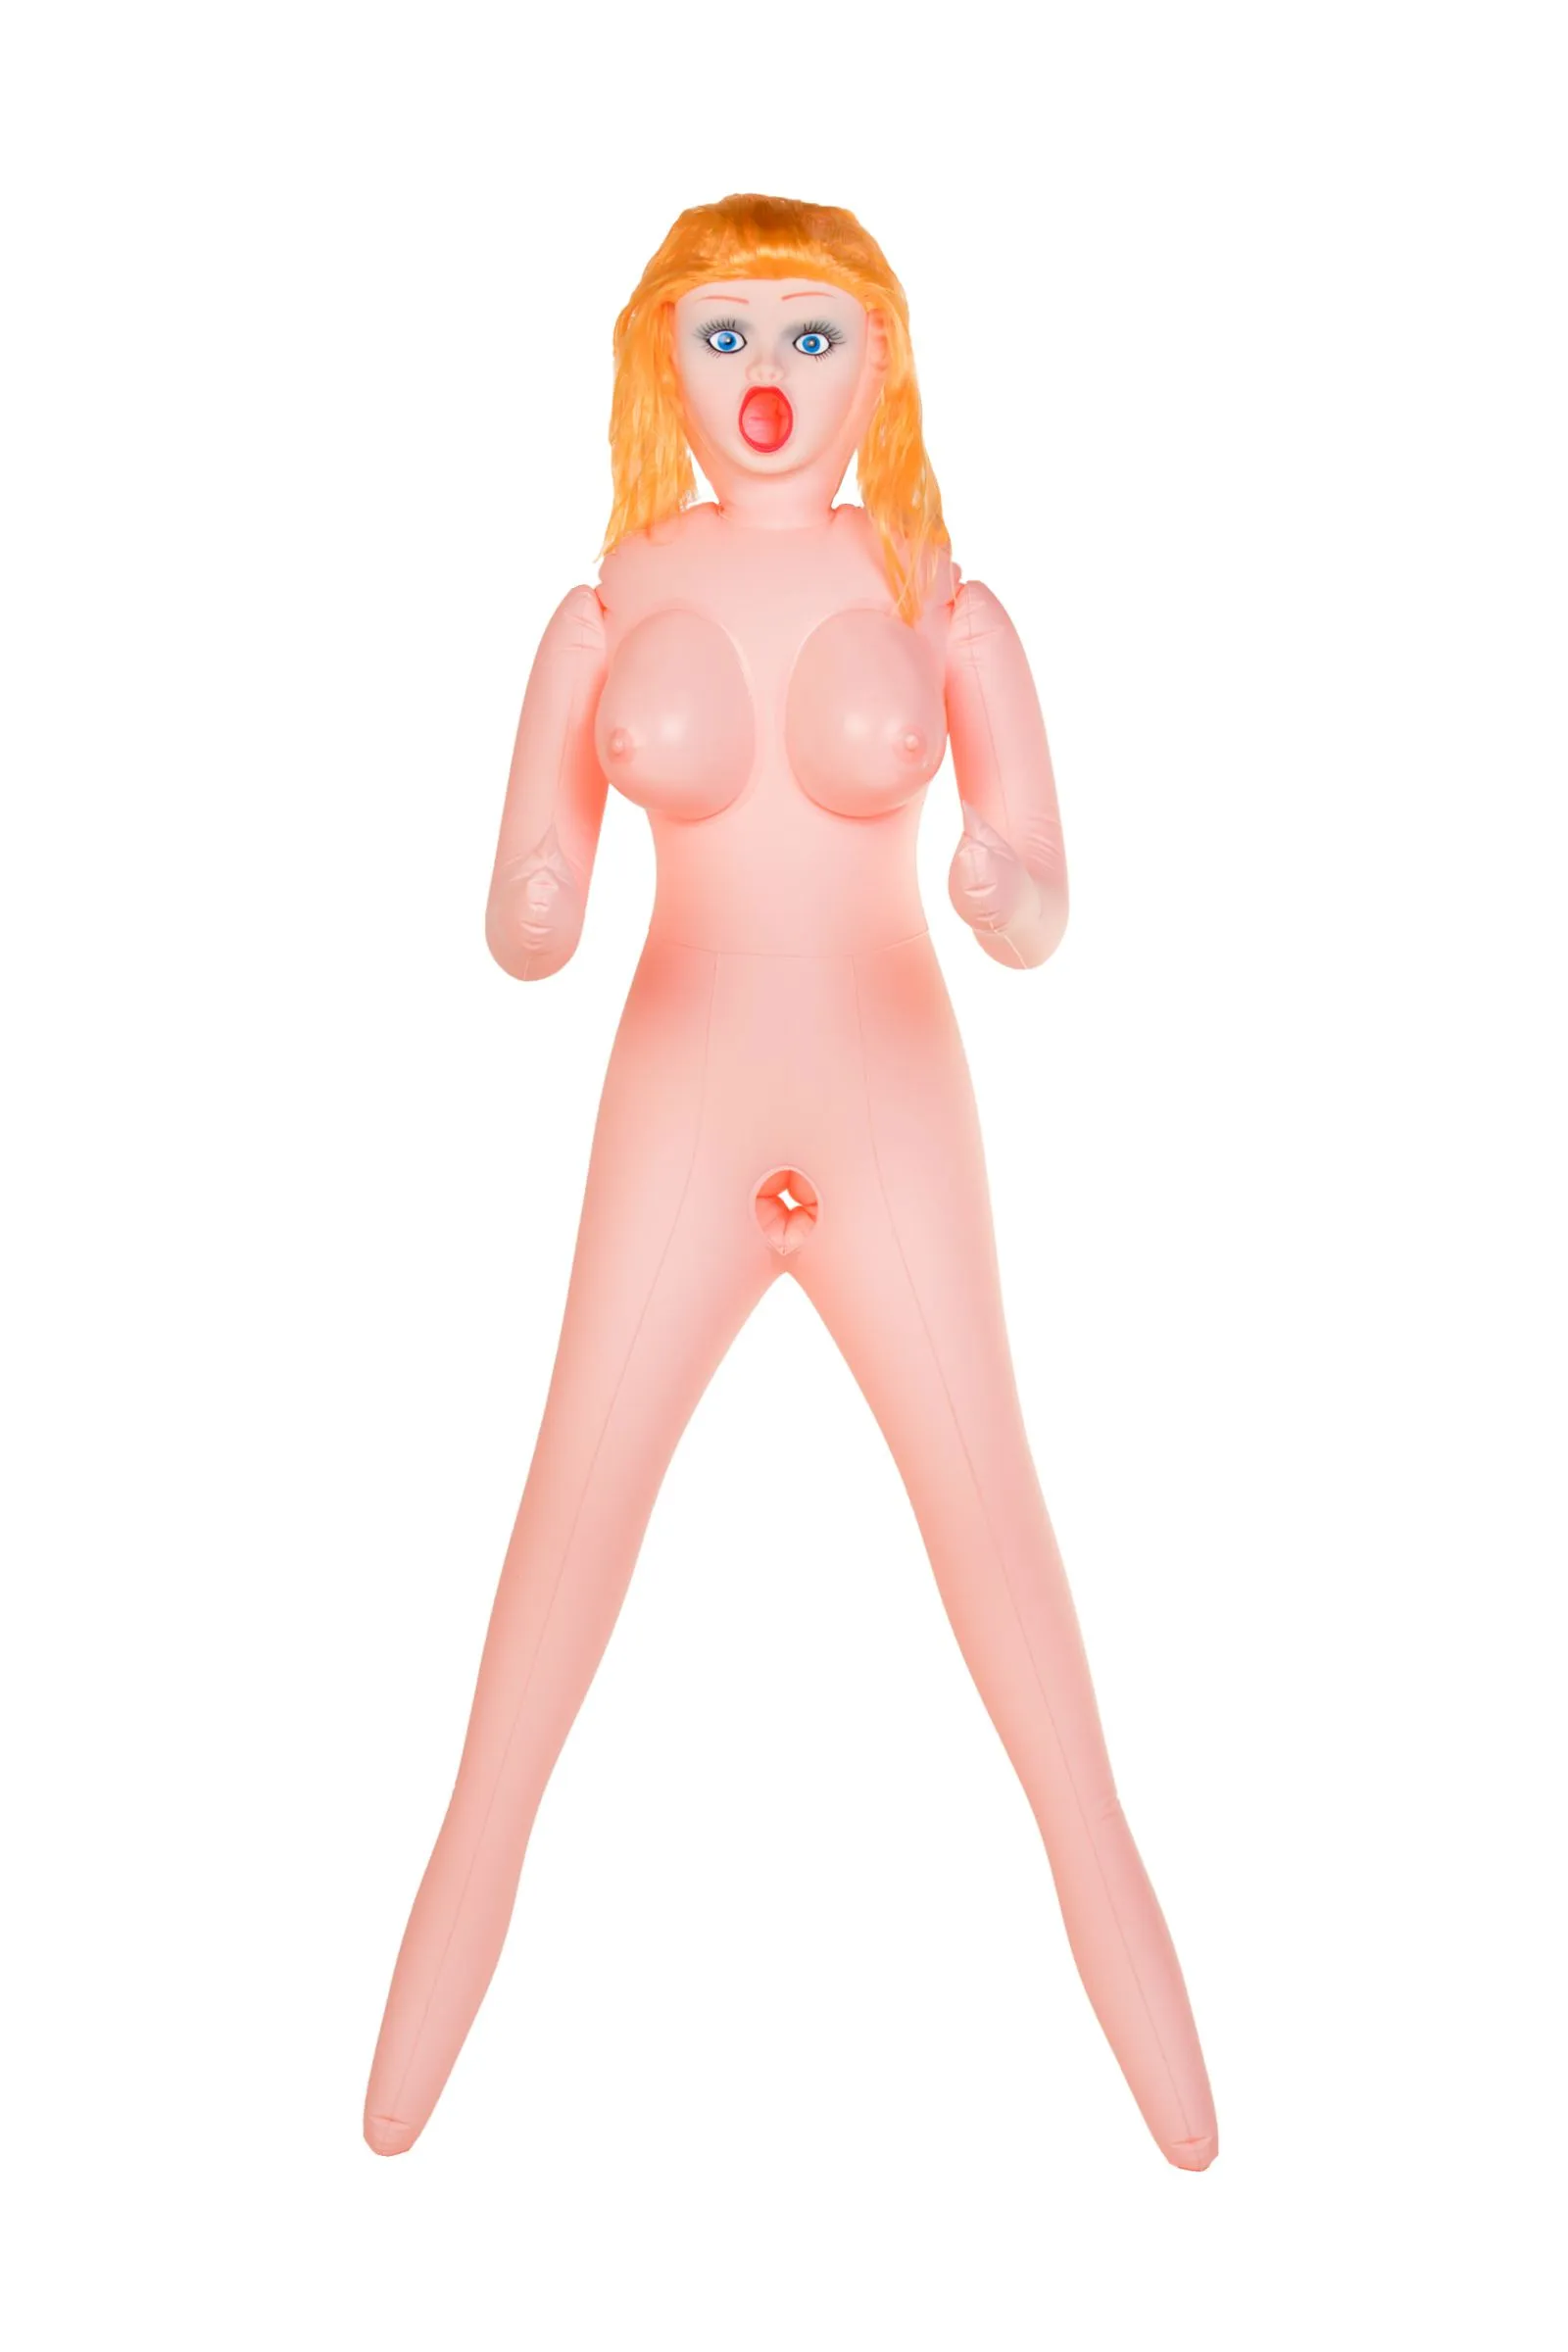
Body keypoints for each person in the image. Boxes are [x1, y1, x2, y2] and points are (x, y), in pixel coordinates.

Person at [364, 193, 1218, 2169]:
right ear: (657, 358)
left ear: (880, 362)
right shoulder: (606, 603)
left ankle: (1169, 2073)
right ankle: (404, 2067)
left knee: (1000, 1551)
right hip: (676, 1103)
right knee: (556, 1554)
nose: (765, 378)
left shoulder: (937, 597)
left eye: (810, 336)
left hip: (887, 1105)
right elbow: (523, 910)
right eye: (726, 333)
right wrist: (537, 896)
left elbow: (1041, 899)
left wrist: (1002, 888)